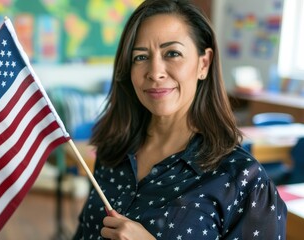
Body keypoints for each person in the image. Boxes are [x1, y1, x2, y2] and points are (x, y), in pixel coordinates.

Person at [72, 0, 287, 239]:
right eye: (140, 57)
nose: (155, 72)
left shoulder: (242, 178)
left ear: (203, 63)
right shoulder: (113, 152)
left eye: (172, 53)